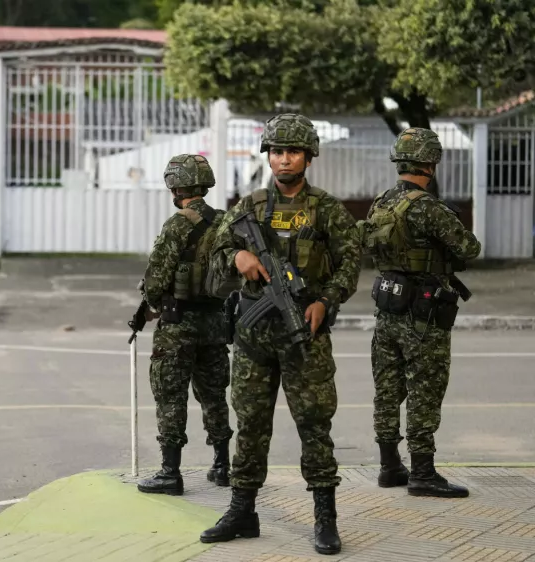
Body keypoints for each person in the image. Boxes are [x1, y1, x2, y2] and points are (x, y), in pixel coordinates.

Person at [200, 113, 361, 556]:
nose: (283, 159)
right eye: (276, 151)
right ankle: (242, 510)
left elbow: (350, 263)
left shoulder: (327, 209)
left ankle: (324, 517)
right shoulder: (248, 206)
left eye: (292, 151)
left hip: (304, 337)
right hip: (254, 339)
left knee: (313, 425)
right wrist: (239, 260)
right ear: (268, 156)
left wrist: (325, 301)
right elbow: (216, 250)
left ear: (308, 156)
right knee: (250, 424)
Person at [361, 127, 481, 498]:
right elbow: (470, 248)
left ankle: (388, 466)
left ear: (399, 161)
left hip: (387, 309)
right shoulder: (428, 207)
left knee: (387, 389)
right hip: (423, 314)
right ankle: (423, 473)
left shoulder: (380, 202)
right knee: (424, 391)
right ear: (431, 163)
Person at [136, 154, 234, 496]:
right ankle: (222, 466)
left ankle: (170, 472)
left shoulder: (177, 224)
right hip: (215, 323)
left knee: (171, 396)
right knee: (214, 396)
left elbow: (155, 282)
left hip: (177, 325)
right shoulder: (224, 220)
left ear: (176, 185)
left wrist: (149, 303)